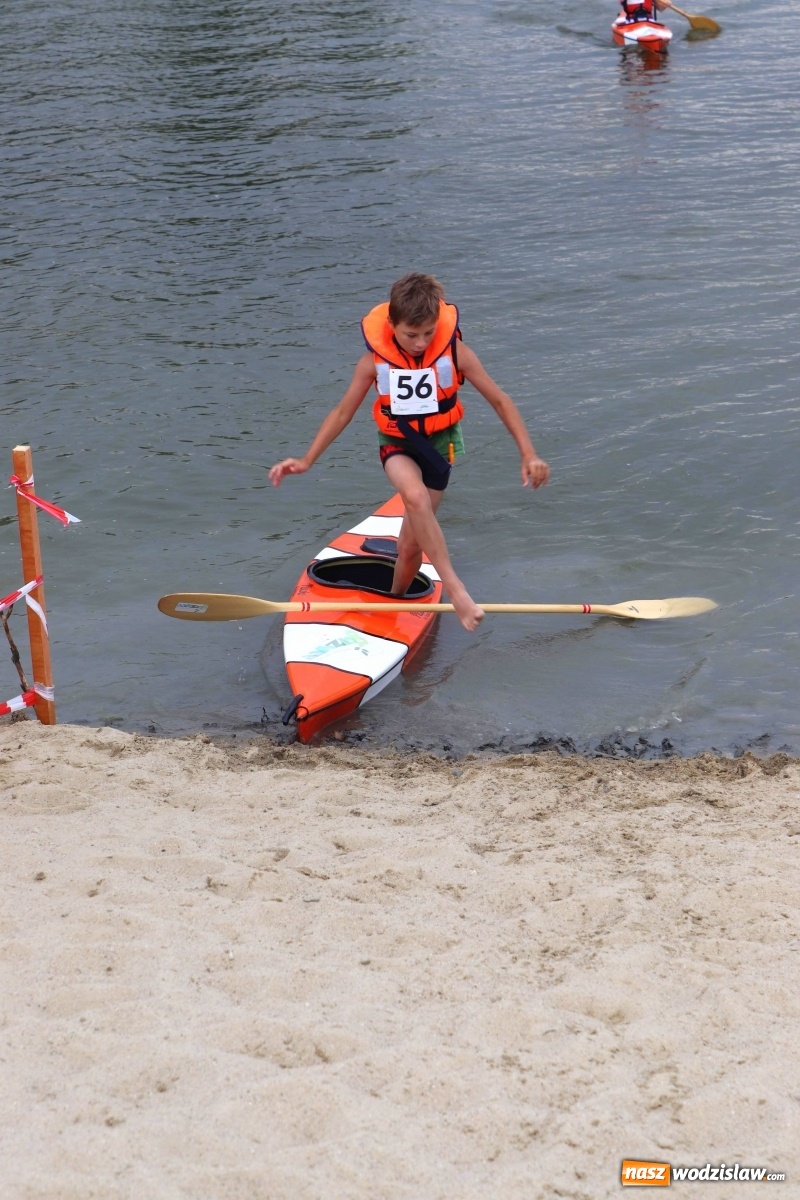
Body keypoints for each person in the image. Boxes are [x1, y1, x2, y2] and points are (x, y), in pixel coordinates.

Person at [268, 274, 550, 633]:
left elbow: (500, 400)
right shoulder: (373, 363)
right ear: (391, 324)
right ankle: (457, 590)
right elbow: (341, 413)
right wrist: (306, 460)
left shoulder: (455, 353)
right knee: (414, 497)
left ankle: (393, 602)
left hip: (440, 448)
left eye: (429, 333)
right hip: (397, 444)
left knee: (410, 548)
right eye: (410, 335)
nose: (421, 343)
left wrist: (529, 453)